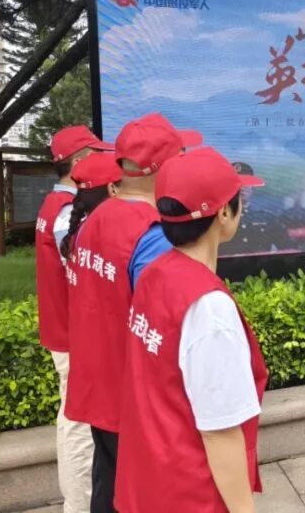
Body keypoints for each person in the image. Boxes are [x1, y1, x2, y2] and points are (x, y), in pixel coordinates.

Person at [115, 147, 268, 513]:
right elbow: (220, 432)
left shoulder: (155, 273)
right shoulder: (208, 307)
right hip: (191, 494)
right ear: (224, 214)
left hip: (150, 482)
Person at [64, 113, 201, 513]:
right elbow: (169, 319)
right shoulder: (154, 235)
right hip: (136, 395)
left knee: (108, 485)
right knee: (143, 496)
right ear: (164, 167)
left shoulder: (94, 220)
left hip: (99, 384)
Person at [34, 125, 112, 513]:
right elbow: (83, 271)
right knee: (80, 425)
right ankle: (79, 504)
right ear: (79, 161)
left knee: (73, 420)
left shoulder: (54, 205)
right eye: (97, 153)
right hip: (73, 336)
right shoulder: (67, 211)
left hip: (62, 331)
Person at [220, 161, 296, 255]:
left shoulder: (266, 218)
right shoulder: (215, 219)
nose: (243, 187)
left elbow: (290, 249)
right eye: (238, 182)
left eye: (247, 182)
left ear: (253, 187)